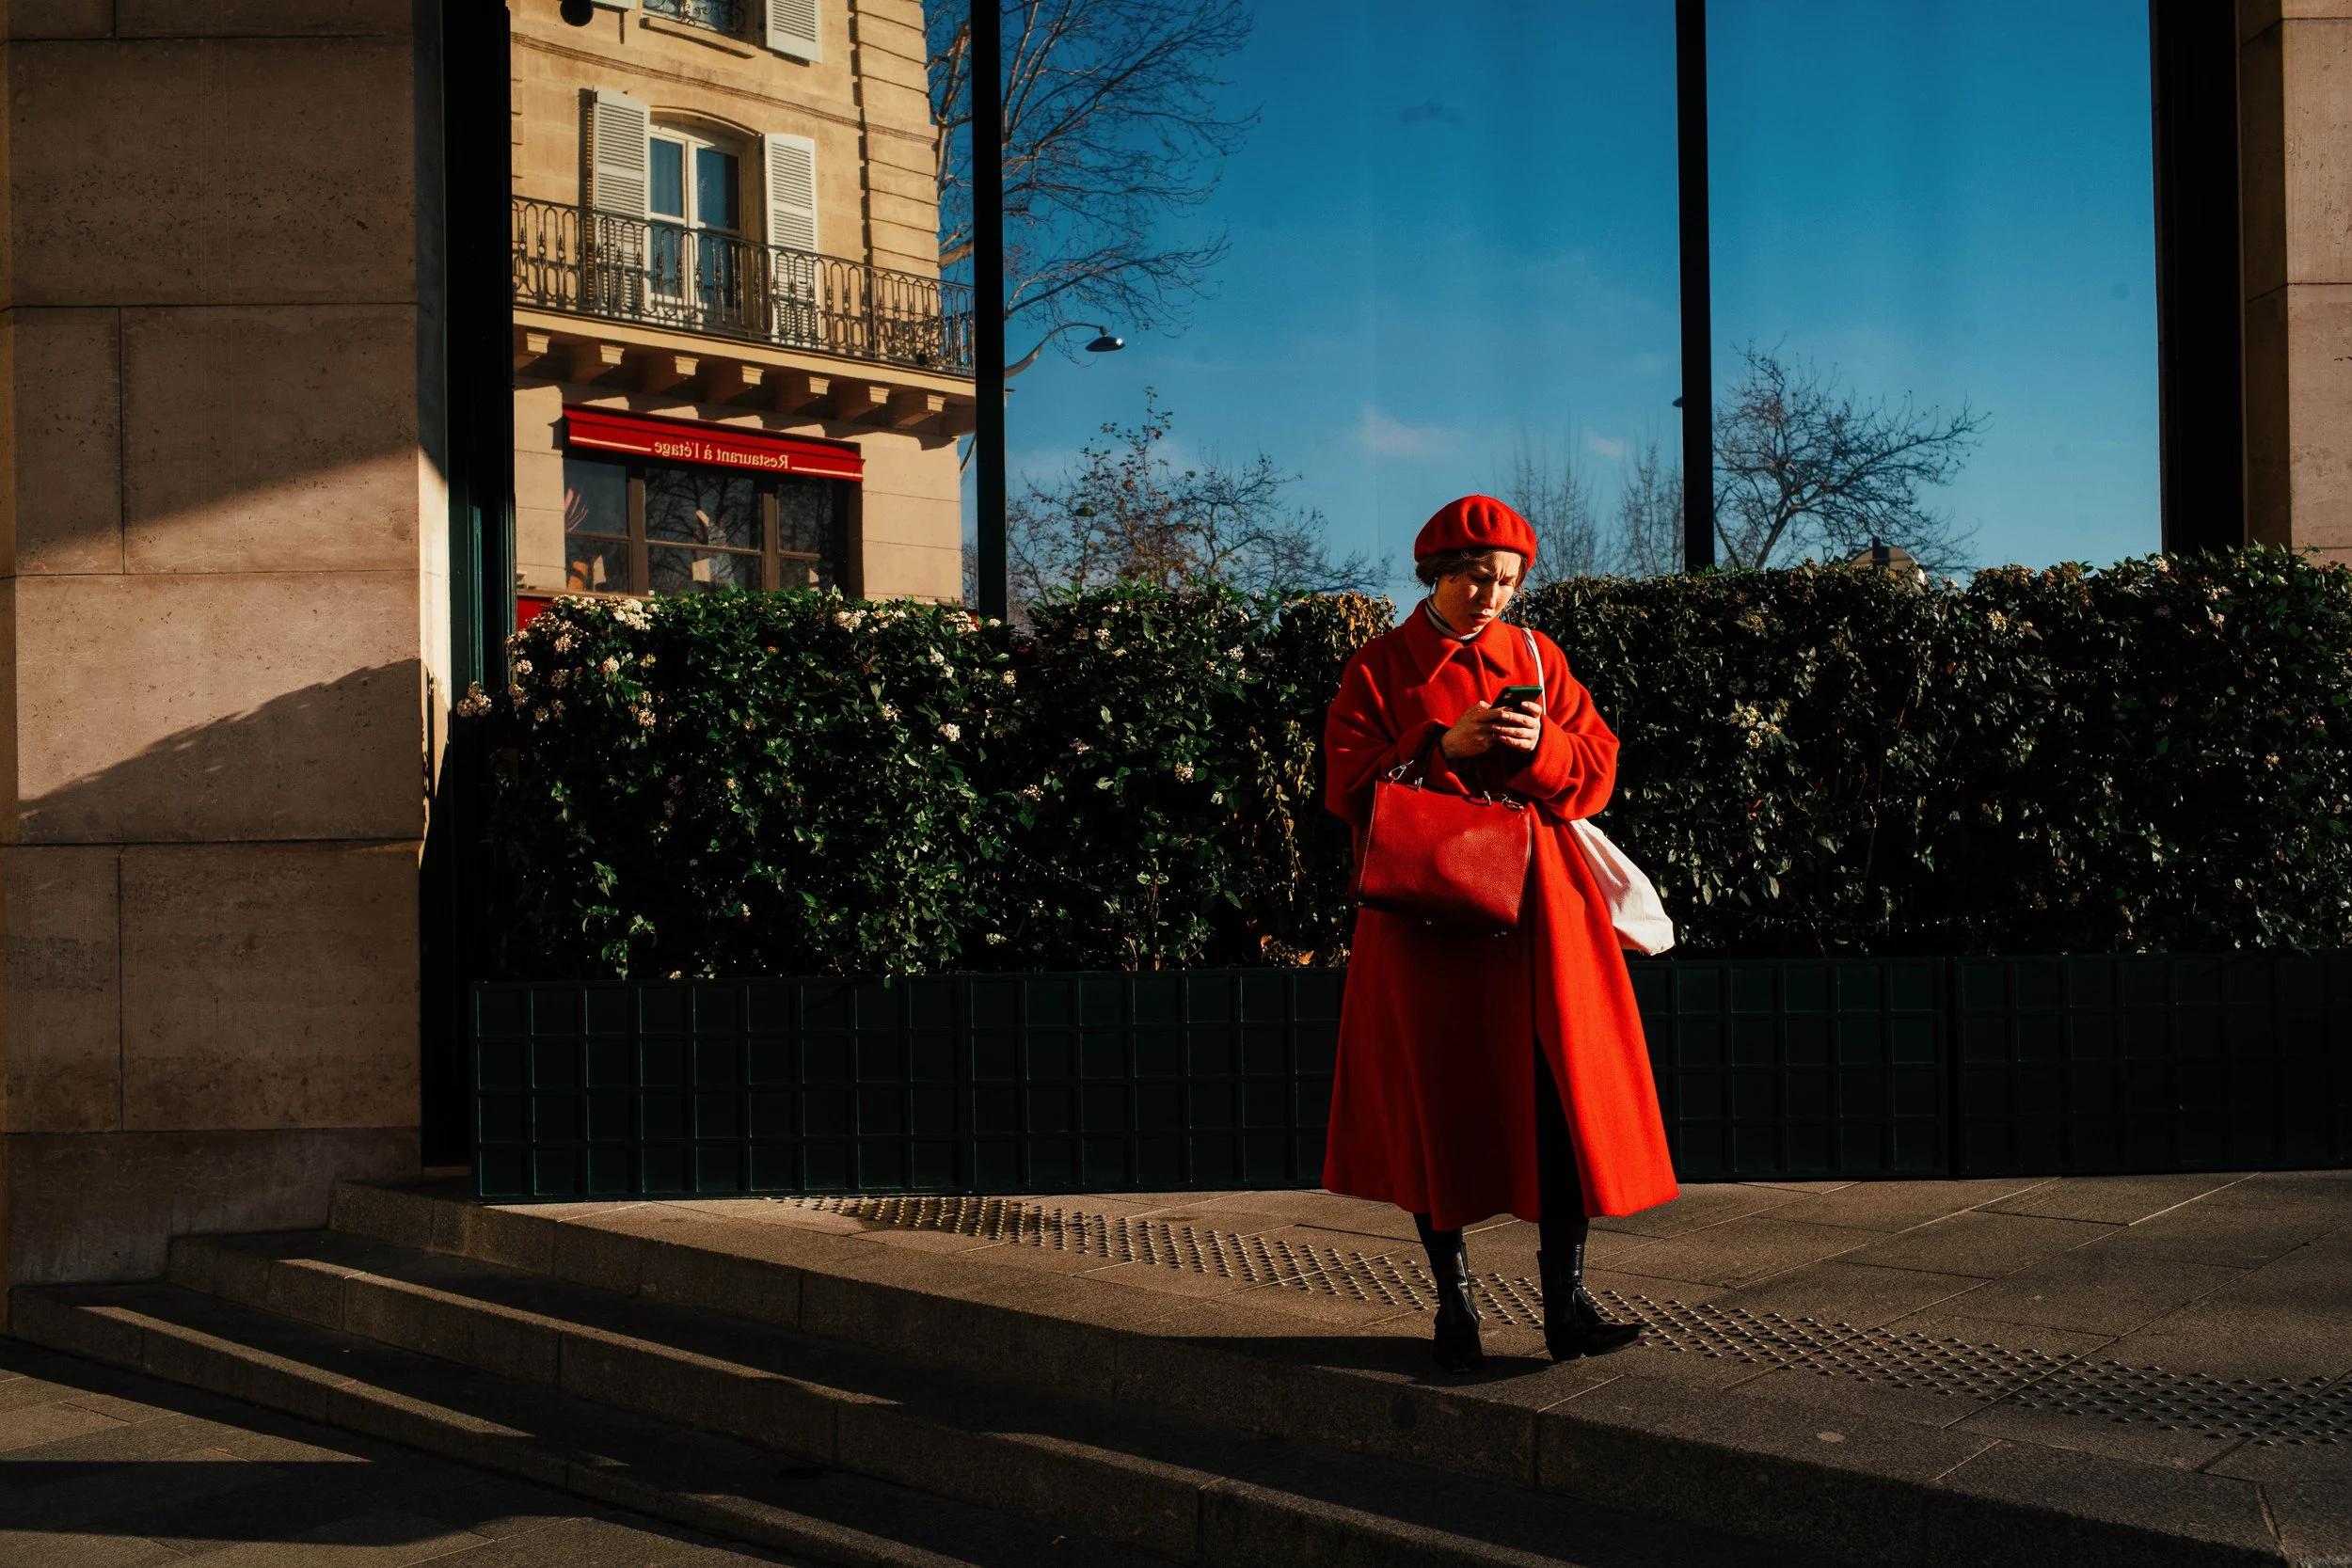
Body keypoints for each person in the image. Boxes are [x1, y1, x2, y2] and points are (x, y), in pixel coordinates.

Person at [1321, 494, 1678, 1374]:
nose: (1491, 596)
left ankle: (1568, 1305)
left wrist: (1540, 743)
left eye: (1508, 582)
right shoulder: (1379, 665)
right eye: (1476, 578)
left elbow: (1596, 771)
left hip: (1540, 915)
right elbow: (1346, 788)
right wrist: (1440, 744)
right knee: (1439, 1110)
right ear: (1435, 574)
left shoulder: (1538, 658)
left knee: (1562, 1105)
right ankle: (1457, 1309)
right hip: (1430, 918)